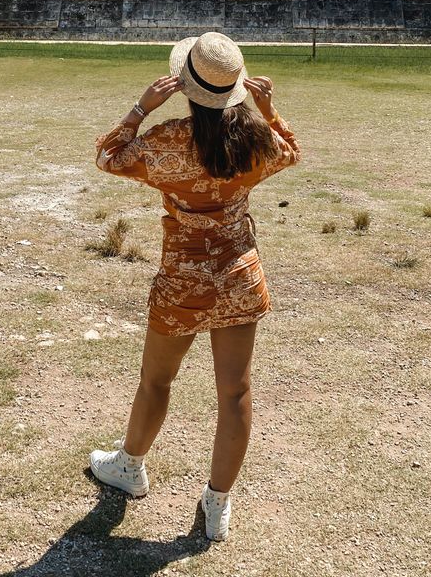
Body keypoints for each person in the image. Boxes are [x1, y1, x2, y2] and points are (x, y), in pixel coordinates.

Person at [89, 31, 301, 542]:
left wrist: (141, 107)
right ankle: (218, 501)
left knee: (156, 382)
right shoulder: (254, 139)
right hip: (238, 276)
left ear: (184, 86)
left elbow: (107, 156)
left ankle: (130, 466)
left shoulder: (166, 143)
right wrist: (270, 111)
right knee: (236, 393)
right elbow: (291, 151)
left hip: (183, 280)